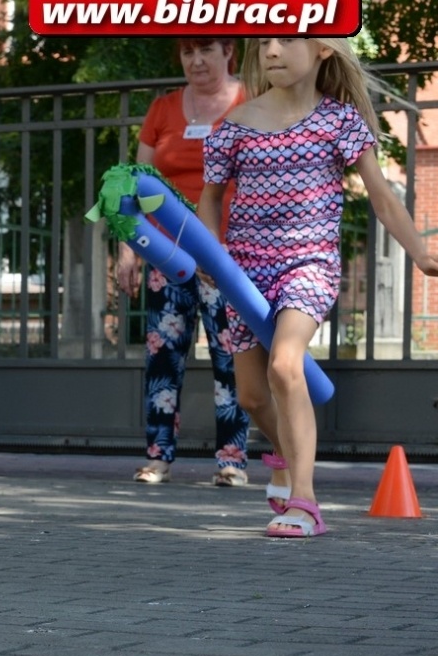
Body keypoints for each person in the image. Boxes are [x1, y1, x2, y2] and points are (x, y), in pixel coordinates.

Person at [200, 37, 438, 537]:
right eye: (265, 41)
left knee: (286, 367)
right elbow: (211, 198)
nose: (272, 50)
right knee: (251, 398)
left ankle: (304, 503)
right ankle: (286, 455)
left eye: (287, 40)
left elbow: (382, 198)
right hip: (244, 274)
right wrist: (208, 252)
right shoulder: (236, 125)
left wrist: (418, 250)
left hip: (307, 264)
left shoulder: (341, 122)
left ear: (324, 49)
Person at [119, 39, 250, 486]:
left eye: (206, 50)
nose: (196, 61)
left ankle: (232, 461)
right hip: (167, 254)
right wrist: (127, 248)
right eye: (187, 52)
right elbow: (136, 185)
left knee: (230, 357)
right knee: (163, 357)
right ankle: (158, 458)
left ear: (228, 51)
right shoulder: (163, 109)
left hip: (229, 254)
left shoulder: (251, 102)